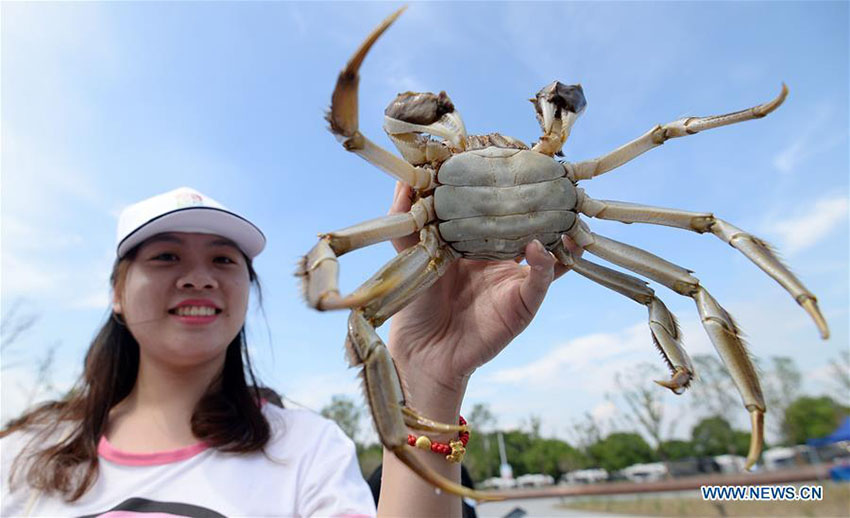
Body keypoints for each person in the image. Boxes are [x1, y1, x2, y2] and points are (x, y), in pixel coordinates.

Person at [2, 184, 581, 517]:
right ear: (116, 293)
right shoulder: (23, 453)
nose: (199, 277)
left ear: (247, 292)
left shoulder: (305, 447)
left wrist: (432, 372)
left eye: (224, 260)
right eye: (166, 257)